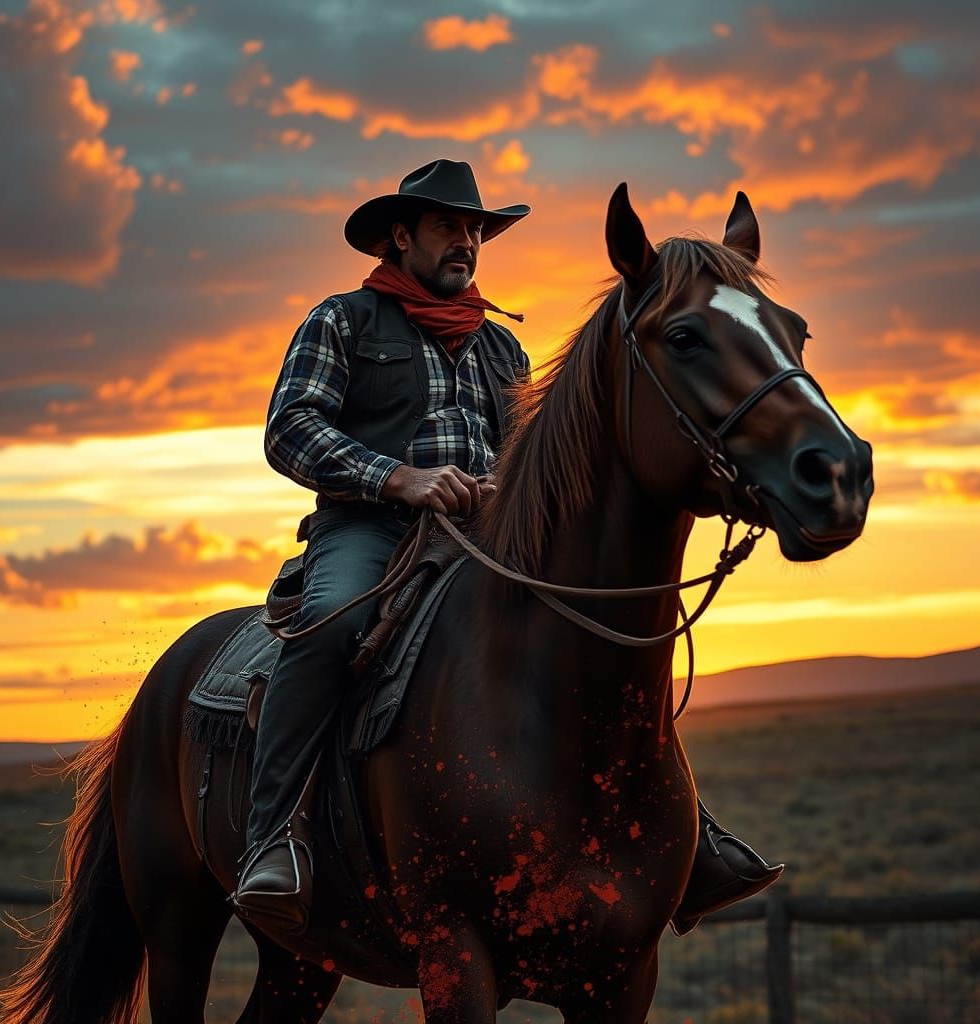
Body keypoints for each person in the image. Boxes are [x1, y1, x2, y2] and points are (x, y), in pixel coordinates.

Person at [233, 159, 782, 934]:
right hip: (371, 526)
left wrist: (500, 489)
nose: (467, 242)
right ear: (400, 237)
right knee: (328, 623)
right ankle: (273, 840)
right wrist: (398, 478)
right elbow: (290, 429)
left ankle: (687, 835)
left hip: (489, 537)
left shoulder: (500, 349)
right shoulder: (342, 321)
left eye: (475, 230)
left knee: (592, 639)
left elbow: (523, 456)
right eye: (449, 228)